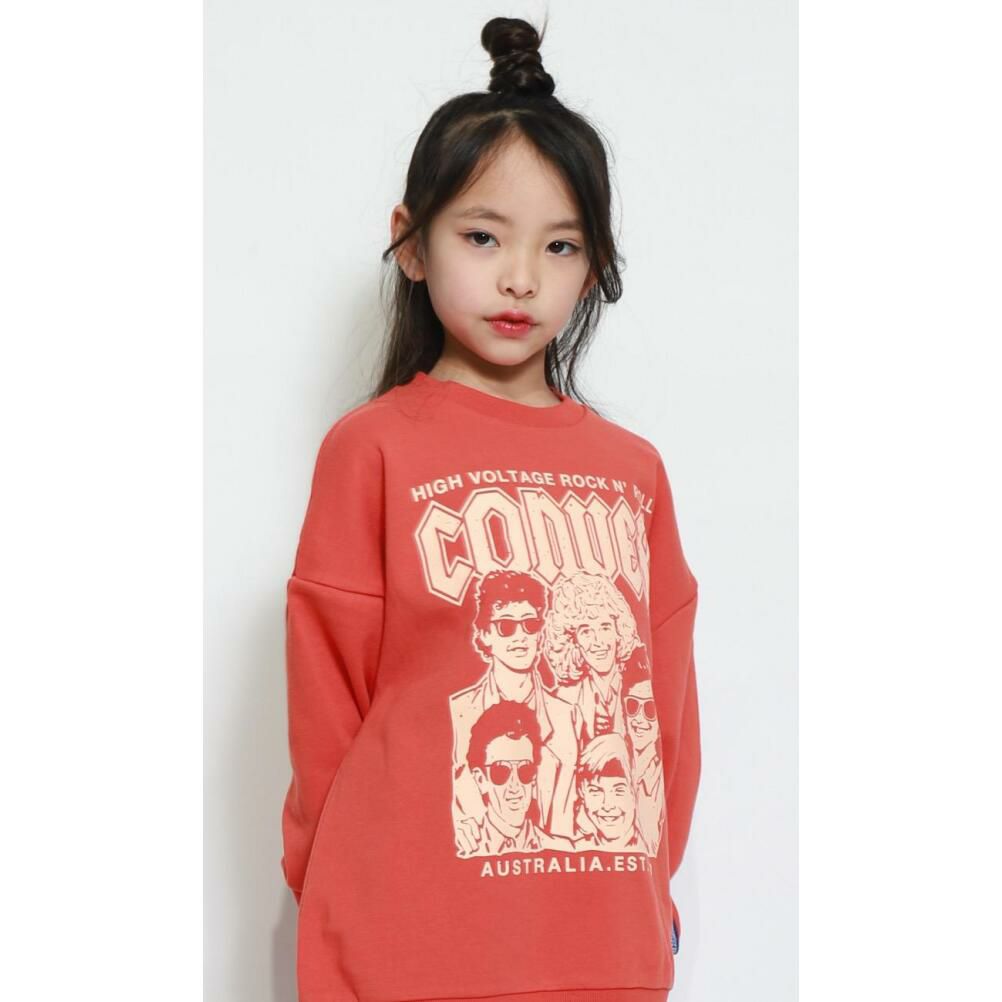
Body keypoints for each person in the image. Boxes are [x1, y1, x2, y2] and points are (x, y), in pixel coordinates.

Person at [280, 15, 701, 1002]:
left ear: (594, 267)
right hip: (404, 937)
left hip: (601, 944)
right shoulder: (372, 449)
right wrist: (322, 885)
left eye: (561, 246)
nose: (521, 277)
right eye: (482, 236)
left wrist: (653, 885)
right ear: (411, 243)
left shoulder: (633, 471)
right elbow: (326, 699)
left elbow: (665, 712)